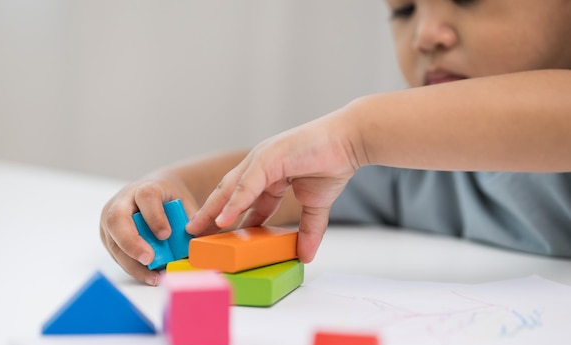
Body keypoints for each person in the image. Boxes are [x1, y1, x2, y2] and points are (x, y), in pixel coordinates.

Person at [100, 0, 571, 286]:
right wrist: (169, 189)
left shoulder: (374, 137)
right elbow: (272, 180)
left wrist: (359, 131)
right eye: (404, 10)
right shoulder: (409, 164)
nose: (425, 35)